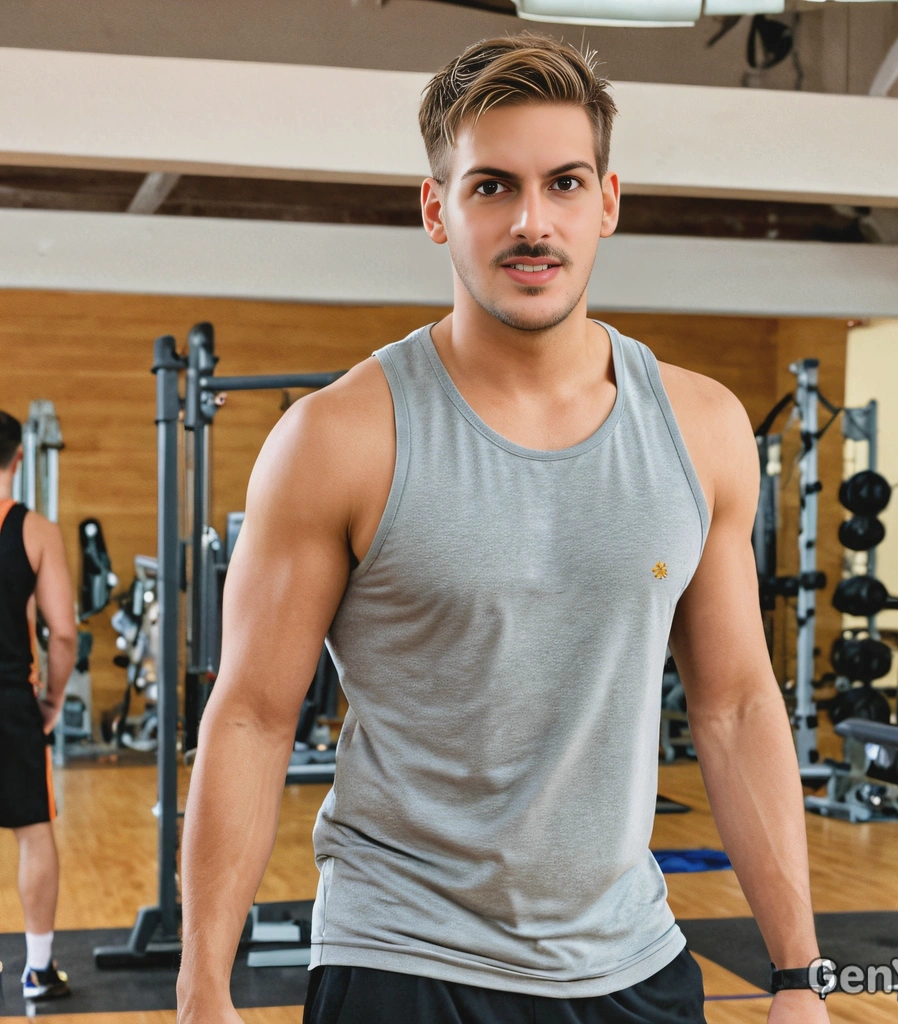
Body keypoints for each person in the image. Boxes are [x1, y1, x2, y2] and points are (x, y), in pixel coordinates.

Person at [177, 33, 831, 1024]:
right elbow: (254, 716)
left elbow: (737, 705)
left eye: (563, 183)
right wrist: (201, 987)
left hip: (631, 966)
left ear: (607, 200)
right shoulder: (341, 438)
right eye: (491, 187)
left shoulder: (699, 429)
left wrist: (796, 973)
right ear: (436, 209)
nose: (533, 221)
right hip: (403, 960)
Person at [0, 410, 77, 1002]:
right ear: (18, 459)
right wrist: (51, 700)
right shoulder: (36, 531)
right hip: (10, 704)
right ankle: (37, 969)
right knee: (32, 832)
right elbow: (64, 634)